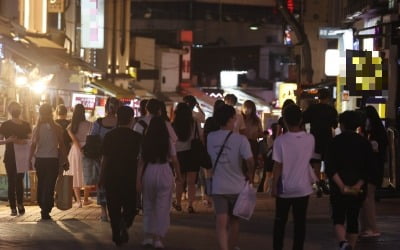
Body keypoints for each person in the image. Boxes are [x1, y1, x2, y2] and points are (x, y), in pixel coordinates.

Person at [207, 104, 254, 250]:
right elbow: (250, 161)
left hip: (218, 186)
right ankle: (233, 246)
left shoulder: (210, 137)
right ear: (231, 119)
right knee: (234, 222)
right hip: (237, 186)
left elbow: (210, 158)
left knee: (221, 222)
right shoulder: (241, 140)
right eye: (234, 118)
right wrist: (250, 174)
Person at [325, 111, 374, 250]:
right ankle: (350, 245)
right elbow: (368, 168)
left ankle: (343, 243)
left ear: (342, 124)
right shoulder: (364, 143)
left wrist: (341, 185)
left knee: (338, 219)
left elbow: (330, 167)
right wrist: (358, 185)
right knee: (353, 219)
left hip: (338, 187)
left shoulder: (334, 142)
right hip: (357, 188)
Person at [271, 104, 315, 250]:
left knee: (280, 223)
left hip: (284, 188)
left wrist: (273, 186)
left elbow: (278, 166)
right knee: (300, 223)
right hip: (303, 188)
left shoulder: (280, 141)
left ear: (284, 121)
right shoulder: (310, 139)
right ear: (301, 119)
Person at [137, 116, 182, 249]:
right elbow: (175, 160)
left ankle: (148, 237)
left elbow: (141, 163)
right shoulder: (167, 141)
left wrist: (138, 180)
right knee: (163, 206)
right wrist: (178, 176)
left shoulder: (146, 141)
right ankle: (158, 238)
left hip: (150, 171)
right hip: (164, 171)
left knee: (148, 204)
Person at [99, 106, 141, 246]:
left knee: (113, 206)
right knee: (130, 206)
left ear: (117, 118)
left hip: (112, 175)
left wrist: (101, 176)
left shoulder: (110, 136)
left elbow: (105, 158)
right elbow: (140, 160)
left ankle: (116, 233)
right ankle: (125, 222)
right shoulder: (137, 137)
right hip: (130, 175)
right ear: (131, 119)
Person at [29, 103, 68, 220]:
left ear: (40, 113)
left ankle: (42, 206)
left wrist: (29, 159)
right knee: (50, 185)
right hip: (53, 160)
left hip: (40, 160)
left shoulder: (37, 128)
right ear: (51, 113)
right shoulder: (57, 128)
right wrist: (65, 159)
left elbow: (33, 145)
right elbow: (61, 145)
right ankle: (47, 208)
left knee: (41, 183)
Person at [359, 106, 388, 238]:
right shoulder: (373, 132)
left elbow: (377, 151)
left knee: (368, 198)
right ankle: (367, 227)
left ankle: (372, 227)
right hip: (371, 169)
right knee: (366, 198)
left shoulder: (377, 133)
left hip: (373, 169)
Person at [91, 97, 120, 221]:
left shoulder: (98, 122)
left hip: (101, 158)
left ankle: (104, 213)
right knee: (116, 184)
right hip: (118, 158)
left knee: (101, 183)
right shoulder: (120, 122)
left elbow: (92, 138)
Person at [302, 88, 338, 190]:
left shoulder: (312, 109)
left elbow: (303, 119)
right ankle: (327, 183)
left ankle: (318, 185)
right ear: (328, 98)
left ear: (319, 97)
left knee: (316, 163)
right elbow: (335, 126)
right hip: (327, 140)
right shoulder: (331, 110)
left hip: (315, 140)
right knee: (327, 162)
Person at [0, 102, 31, 216]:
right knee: (14, 181)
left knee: (16, 181)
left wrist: (20, 141)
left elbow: (31, 140)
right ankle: (15, 206)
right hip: (12, 156)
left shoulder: (24, 125)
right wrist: (9, 141)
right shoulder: (6, 125)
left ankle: (18, 205)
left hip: (20, 156)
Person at [172, 102, 202, 213]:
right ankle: (190, 205)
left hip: (179, 154)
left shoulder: (174, 124)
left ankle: (178, 203)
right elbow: (201, 136)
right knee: (191, 182)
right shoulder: (194, 122)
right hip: (192, 153)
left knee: (179, 180)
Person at [65, 104, 92, 207]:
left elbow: (75, 140)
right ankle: (85, 199)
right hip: (87, 149)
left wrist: (80, 149)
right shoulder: (90, 124)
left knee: (75, 173)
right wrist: (84, 149)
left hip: (76, 150)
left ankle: (78, 201)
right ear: (84, 112)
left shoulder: (70, 126)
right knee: (86, 173)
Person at [242, 100, 263, 179]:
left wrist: (257, 134)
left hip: (253, 144)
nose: (246, 109)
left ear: (252, 109)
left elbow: (261, 133)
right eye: (245, 107)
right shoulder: (241, 119)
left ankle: (250, 182)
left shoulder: (256, 120)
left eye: (249, 108)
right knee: (242, 166)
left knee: (251, 165)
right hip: (242, 144)